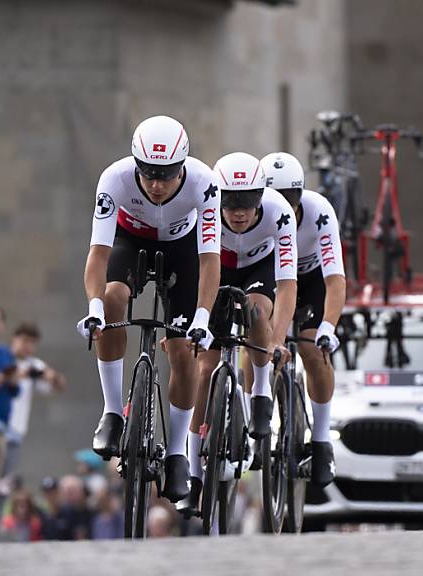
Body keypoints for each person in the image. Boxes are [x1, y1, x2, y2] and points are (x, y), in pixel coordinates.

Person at [76, 115, 221, 503]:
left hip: (182, 249)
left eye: (167, 175)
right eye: (149, 174)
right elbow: (98, 254)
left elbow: (209, 261)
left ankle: (176, 454)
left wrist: (203, 318)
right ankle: (112, 412)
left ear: (183, 168)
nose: (156, 185)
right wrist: (94, 308)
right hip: (130, 238)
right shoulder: (115, 178)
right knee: (112, 301)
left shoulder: (204, 183)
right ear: (135, 165)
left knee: (184, 352)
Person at [179, 152, 298, 514]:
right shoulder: (205, 209)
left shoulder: (280, 212)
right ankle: (193, 471)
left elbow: (288, 284)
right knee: (203, 369)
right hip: (217, 269)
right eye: (231, 202)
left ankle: (260, 391)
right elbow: (193, 266)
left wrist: (277, 339)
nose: (239, 211)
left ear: (262, 196)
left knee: (258, 311)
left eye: (248, 202)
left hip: (258, 269)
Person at [259, 152, 346, 485]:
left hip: (309, 281)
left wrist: (328, 327)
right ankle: (256, 420)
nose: (284, 206)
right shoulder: (252, 214)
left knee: (312, 351)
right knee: (258, 341)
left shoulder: (319, 211)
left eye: (291, 198)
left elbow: (335, 278)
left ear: (300, 196)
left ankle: (321, 440)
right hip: (272, 278)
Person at [5, 323, 65, 477]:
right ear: (14, 339)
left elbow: (58, 385)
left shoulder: (34, 365)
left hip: (16, 428)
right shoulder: (4, 357)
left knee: (5, 478)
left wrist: (51, 377)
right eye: (25, 341)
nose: (27, 347)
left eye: (32, 343)